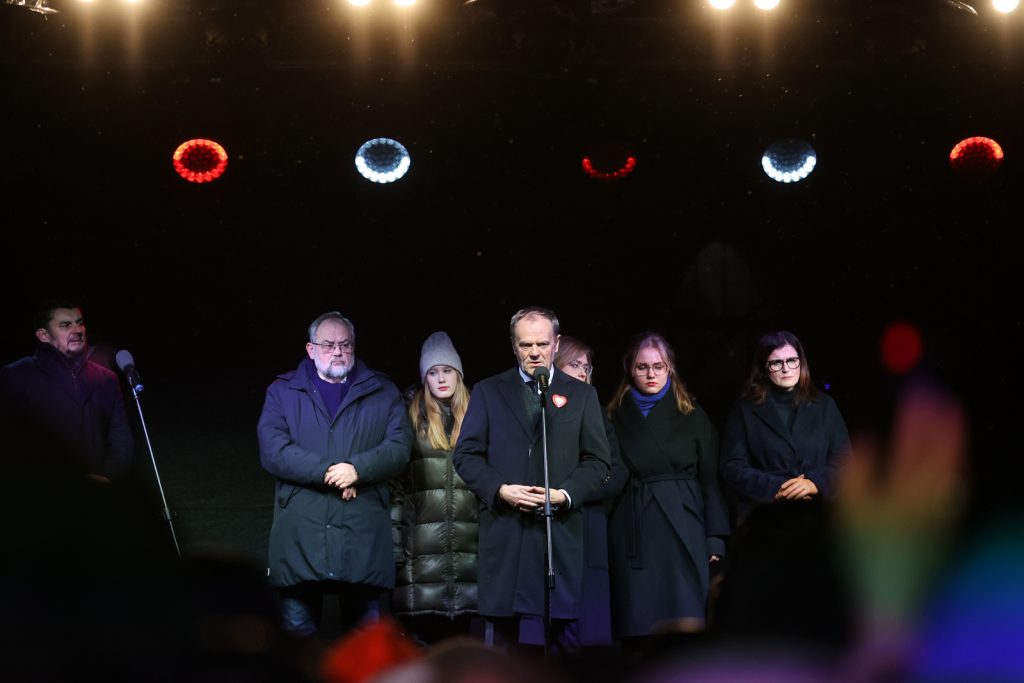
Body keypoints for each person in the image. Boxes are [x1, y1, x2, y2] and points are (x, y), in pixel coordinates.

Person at [452, 306, 611, 654]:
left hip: (558, 538)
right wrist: (499, 490)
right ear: (514, 346)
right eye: (526, 345)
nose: (534, 352)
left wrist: (565, 495)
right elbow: (465, 455)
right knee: (507, 655)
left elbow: (598, 461)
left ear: (557, 343)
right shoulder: (489, 391)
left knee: (559, 654)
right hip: (507, 535)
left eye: (542, 343)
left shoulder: (582, 395)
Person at [257, 311, 413, 640]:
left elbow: (399, 448)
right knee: (299, 649)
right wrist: (331, 472)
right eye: (328, 345)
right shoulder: (282, 391)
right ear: (310, 349)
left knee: (365, 649)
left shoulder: (383, 390)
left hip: (362, 539)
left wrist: (358, 469)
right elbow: (273, 450)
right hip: (300, 541)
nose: (338, 351)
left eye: (345, 344)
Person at [605, 332, 730, 650]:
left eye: (658, 366)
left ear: (669, 368)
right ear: (630, 370)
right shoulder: (613, 416)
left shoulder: (693, 414)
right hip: (633, 525)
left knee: (684, 621)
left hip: (683, 523)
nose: (651, 374)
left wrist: (715, 537)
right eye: (642, 367)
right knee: (637, 621)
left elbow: (710, 480)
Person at [391, 331, 480, 645]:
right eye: (433, 372)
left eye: (447, 370)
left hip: (470, 560)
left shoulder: (480, 416)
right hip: (420, 561)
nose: (441, 379)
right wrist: (395, 550)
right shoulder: (408, 418)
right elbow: (396, 489)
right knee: (423, 654)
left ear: (458, 374)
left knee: (464, 656)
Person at [720, 330, 851, 526]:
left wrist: (813, 483)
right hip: (767, 518)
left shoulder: (825, 406)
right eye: (776, 363)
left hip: (818, 516)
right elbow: (732, 466)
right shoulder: (745, 409)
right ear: (764, 368)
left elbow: (845, 462)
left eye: (792, 360)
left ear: (801, 362)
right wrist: (779, 488)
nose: (786, 369)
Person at [0, 297, 134, 482]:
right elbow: (11, 441)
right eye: (65, 325)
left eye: (79, 323)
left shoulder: (106, 378)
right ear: (44, 335)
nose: (77, 330)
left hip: (100, 489)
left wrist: (107, 475)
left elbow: (120, 437)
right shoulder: (18, 375)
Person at [552, 335, 628, 649]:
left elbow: (616, 471)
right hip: (549, 529)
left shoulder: (596, 412)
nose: (583, 372)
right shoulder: (537, 409)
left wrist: (574, 490)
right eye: (575, 364)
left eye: (587, 367)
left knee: (588, 633)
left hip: (588, 526)